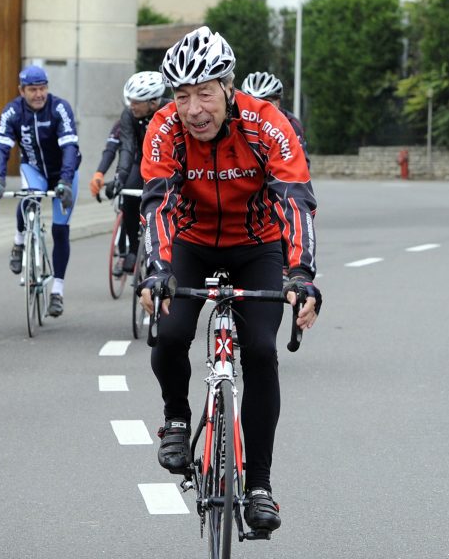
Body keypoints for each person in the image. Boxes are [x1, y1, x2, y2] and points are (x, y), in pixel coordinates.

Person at [138, 26, 321, 533]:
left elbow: (296, 198)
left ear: (227, 86)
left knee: (261, 350)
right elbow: (157, 202)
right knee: (172, 332)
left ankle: (259, 486)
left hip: (256, 243)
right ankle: (176, 419)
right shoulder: (164, 128)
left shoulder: (266, 123)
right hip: (192, 242)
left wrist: (301, 274)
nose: (193, 109)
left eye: (204, 93)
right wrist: (157, 272)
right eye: (181, 96)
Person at [0, 65, 82, 317]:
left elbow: (70, 148)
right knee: (28, 199)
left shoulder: (60, 108)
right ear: (22, 90)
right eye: (32, 90)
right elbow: (1, 147)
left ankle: (57, 291)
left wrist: (65, 181)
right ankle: (19, 243)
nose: (39, 94)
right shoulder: (12, 111)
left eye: (42, 88)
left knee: (60, 230)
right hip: (34, 169)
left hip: (64, 172)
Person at [107, 71, 170, 277]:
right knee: (128, 195)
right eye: (130, 100)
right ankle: (133, 250)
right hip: (140, 160)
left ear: (153, 102)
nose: (131, 105)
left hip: (168, 162)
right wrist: (119, 178)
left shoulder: (171, 110)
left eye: (136, 102)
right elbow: (126, 147)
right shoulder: (129, 115)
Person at [240, 71, 310, 167]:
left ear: (277, 103)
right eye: (251, 102)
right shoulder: (236, 120)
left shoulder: (291, 123)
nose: (257, 109)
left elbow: (300, 163)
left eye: (265, 103)